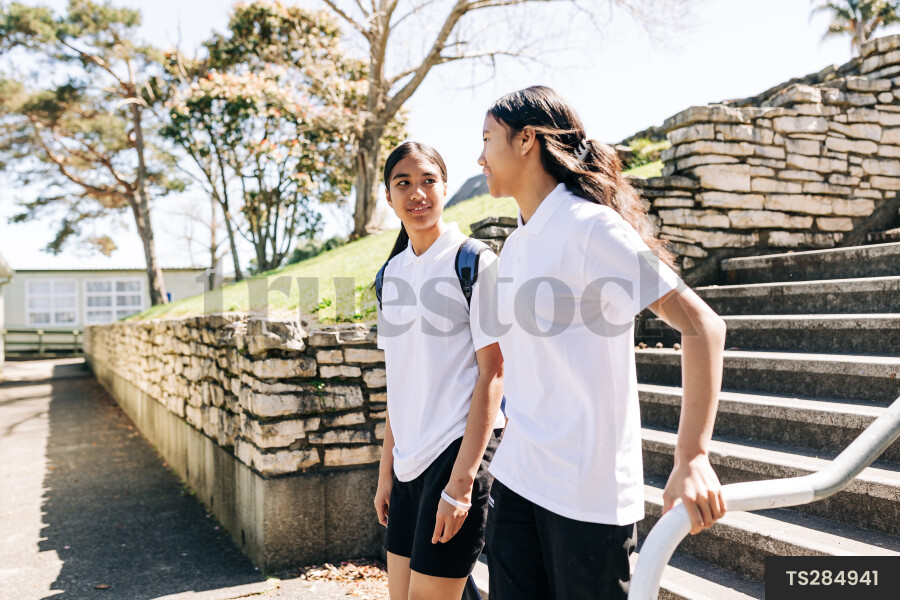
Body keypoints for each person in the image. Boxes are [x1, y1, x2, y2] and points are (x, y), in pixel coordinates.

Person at [477, 86, 728, 600]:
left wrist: (693, 456)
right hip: (519, 477)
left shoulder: (591, 228)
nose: (479, 156)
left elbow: (703, 325)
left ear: (526, 140)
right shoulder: (517, 243)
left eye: (487, 139)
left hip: (584, 494)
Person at [373, 142, 506, 600]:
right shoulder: (390, 275)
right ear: (388, 196)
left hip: (456, 455)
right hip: (408, 466)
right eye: (403, 183)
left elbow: (494, 373)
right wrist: (386, 472)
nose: (417, 192)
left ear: (446, 187)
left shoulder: (472, 261)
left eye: (428, 180)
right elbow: (400, 381)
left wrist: (463, 481)